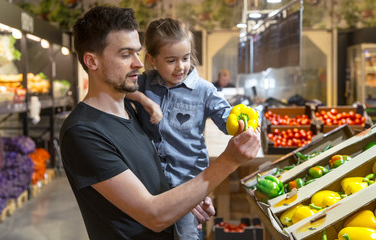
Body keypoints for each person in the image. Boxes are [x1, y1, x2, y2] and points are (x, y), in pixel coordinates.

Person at [60, 6, 261, 240]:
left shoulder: (130, 112)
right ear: (91, 61)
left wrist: (188, 197)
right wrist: (229, 160)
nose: (138, 63)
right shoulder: (84, 132)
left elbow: (156, 183)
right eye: (126, 54)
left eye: (137, 52)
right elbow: (154, 214)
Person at [125, 18, 236, 239]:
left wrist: (242, 122)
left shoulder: (203, 90)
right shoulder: (146, 82)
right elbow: (120, 89)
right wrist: (146, 101)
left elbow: (227, 120)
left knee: (187, 236)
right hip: (151, 182)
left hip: (188, 183)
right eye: (171, 60)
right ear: (152, 59)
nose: (180, 66)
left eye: (185, 58)